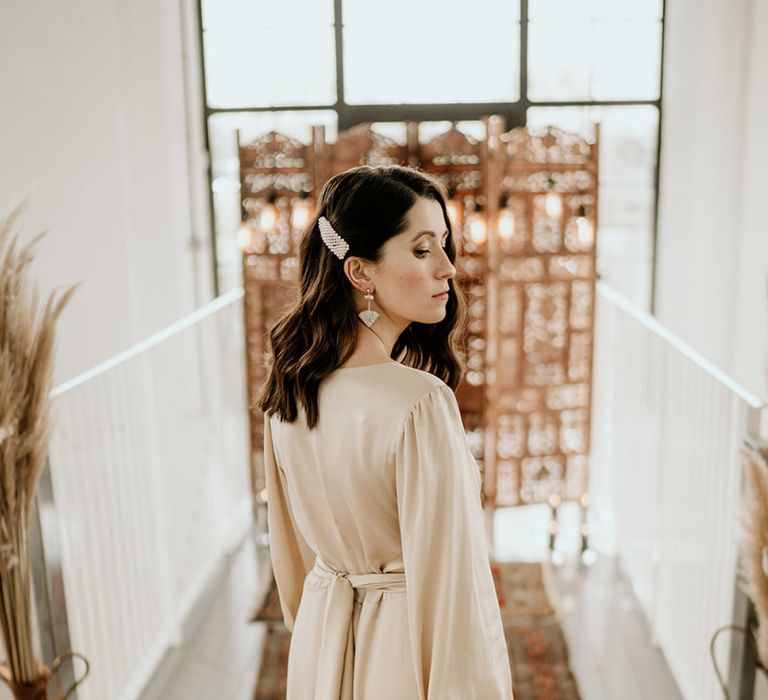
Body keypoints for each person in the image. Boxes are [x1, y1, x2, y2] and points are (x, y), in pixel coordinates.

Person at [256, 164, 513, 699]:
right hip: (403, 656)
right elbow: (453, 589)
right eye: (422, 251)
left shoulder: (289, 393)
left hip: (320, 644)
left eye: (444, 245)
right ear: (361, 272)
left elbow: (292, 561)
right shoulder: (419, 404)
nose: (448, 268)